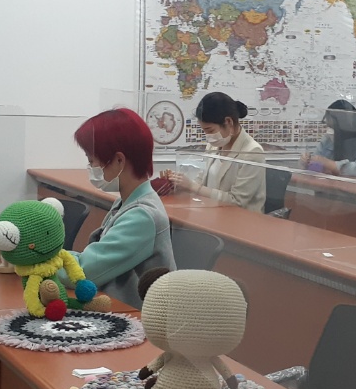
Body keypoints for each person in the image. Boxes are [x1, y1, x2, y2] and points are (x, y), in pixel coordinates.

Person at [72, 107, 176, 307]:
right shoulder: (127, 202)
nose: (90, 167)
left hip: (136, 317)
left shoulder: (142, 215)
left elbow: (84, 272)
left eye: (91, 160)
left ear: (119, 160)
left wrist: (44, 260)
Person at [165, 92, 266, 211]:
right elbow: (201, 180)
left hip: (240, 218)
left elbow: (237, 201)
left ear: (228, 122)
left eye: (210, 130)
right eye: (204, 131)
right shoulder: (214, 146)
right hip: (213, 212)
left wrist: (192, 186)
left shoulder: (253, 152)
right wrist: (180, 185)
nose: (208, 136)